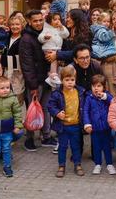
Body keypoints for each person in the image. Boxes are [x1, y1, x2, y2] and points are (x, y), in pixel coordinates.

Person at [19, 10, 56, 150]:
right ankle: (29, 139)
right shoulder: (26, 39)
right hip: (35, 81)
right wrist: (33, 85)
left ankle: (46, 136)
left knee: (45, 108)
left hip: (46, 79)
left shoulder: (44, 34)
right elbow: (27, 65)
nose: (39, 23)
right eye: (35, 21)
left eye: (41, 20)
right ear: (29, 21)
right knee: (32, 109)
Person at [47, 65, 85, 177]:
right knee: (62, 147)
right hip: (63, 126)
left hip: (76, 125)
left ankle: (77, 164)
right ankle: (61, 166)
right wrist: (57, 113)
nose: (70, 82)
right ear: (62, 80)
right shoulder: (57, 93)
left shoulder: (80, 92)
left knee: (76, 146)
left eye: (72, 80)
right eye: (67, 80)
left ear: (75, 80)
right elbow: (50, 106)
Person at [82, 74, 115, 176]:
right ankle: (97, 164)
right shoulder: (89, 98)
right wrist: (87, 124)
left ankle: (109, 164)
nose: (96, 88)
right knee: (96, 147)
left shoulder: (107, 96)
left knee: (107, 147)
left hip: (106, 127)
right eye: (94, 86)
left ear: (104, 87)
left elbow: (113, 102)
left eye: (99, 86)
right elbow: (85, 111)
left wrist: (105, 97)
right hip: (94, 128)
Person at [40, 12, 69, 88]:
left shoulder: (60, 29)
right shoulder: (46, 28)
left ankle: (51, 76)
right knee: (54, 61)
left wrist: (62, 27)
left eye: (59, 19)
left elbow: (66, 35)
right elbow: (40, 37)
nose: (57, 21)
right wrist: (44, 37)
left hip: (57, 49)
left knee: (55, 62)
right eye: (55, 19)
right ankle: (52, 75)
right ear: (50, 20)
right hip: (48, 48)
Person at [91, 11, 116, 91]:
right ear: (99, 22)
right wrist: (111, 32)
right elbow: (103, 38)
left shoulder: (103, 29)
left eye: (108, 21)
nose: (106, 23)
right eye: (104, 21)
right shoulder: (100, 29)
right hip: (100, 51)